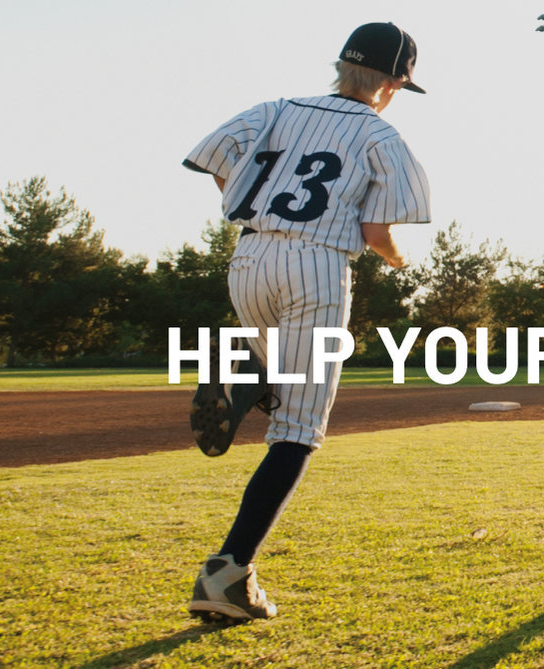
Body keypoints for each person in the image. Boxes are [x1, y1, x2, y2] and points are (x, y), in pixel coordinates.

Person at [176, 21, 430, 623]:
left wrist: (250, 198)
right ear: (394, 82)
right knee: (298, 427)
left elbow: (215, 161)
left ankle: (247, 379)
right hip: (316, 265)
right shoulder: (381, 134)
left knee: (279, 375)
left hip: (248, 257)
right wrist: (397, 260)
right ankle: (229, 571)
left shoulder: (274, 107)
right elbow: (375, 233)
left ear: (342, 65)